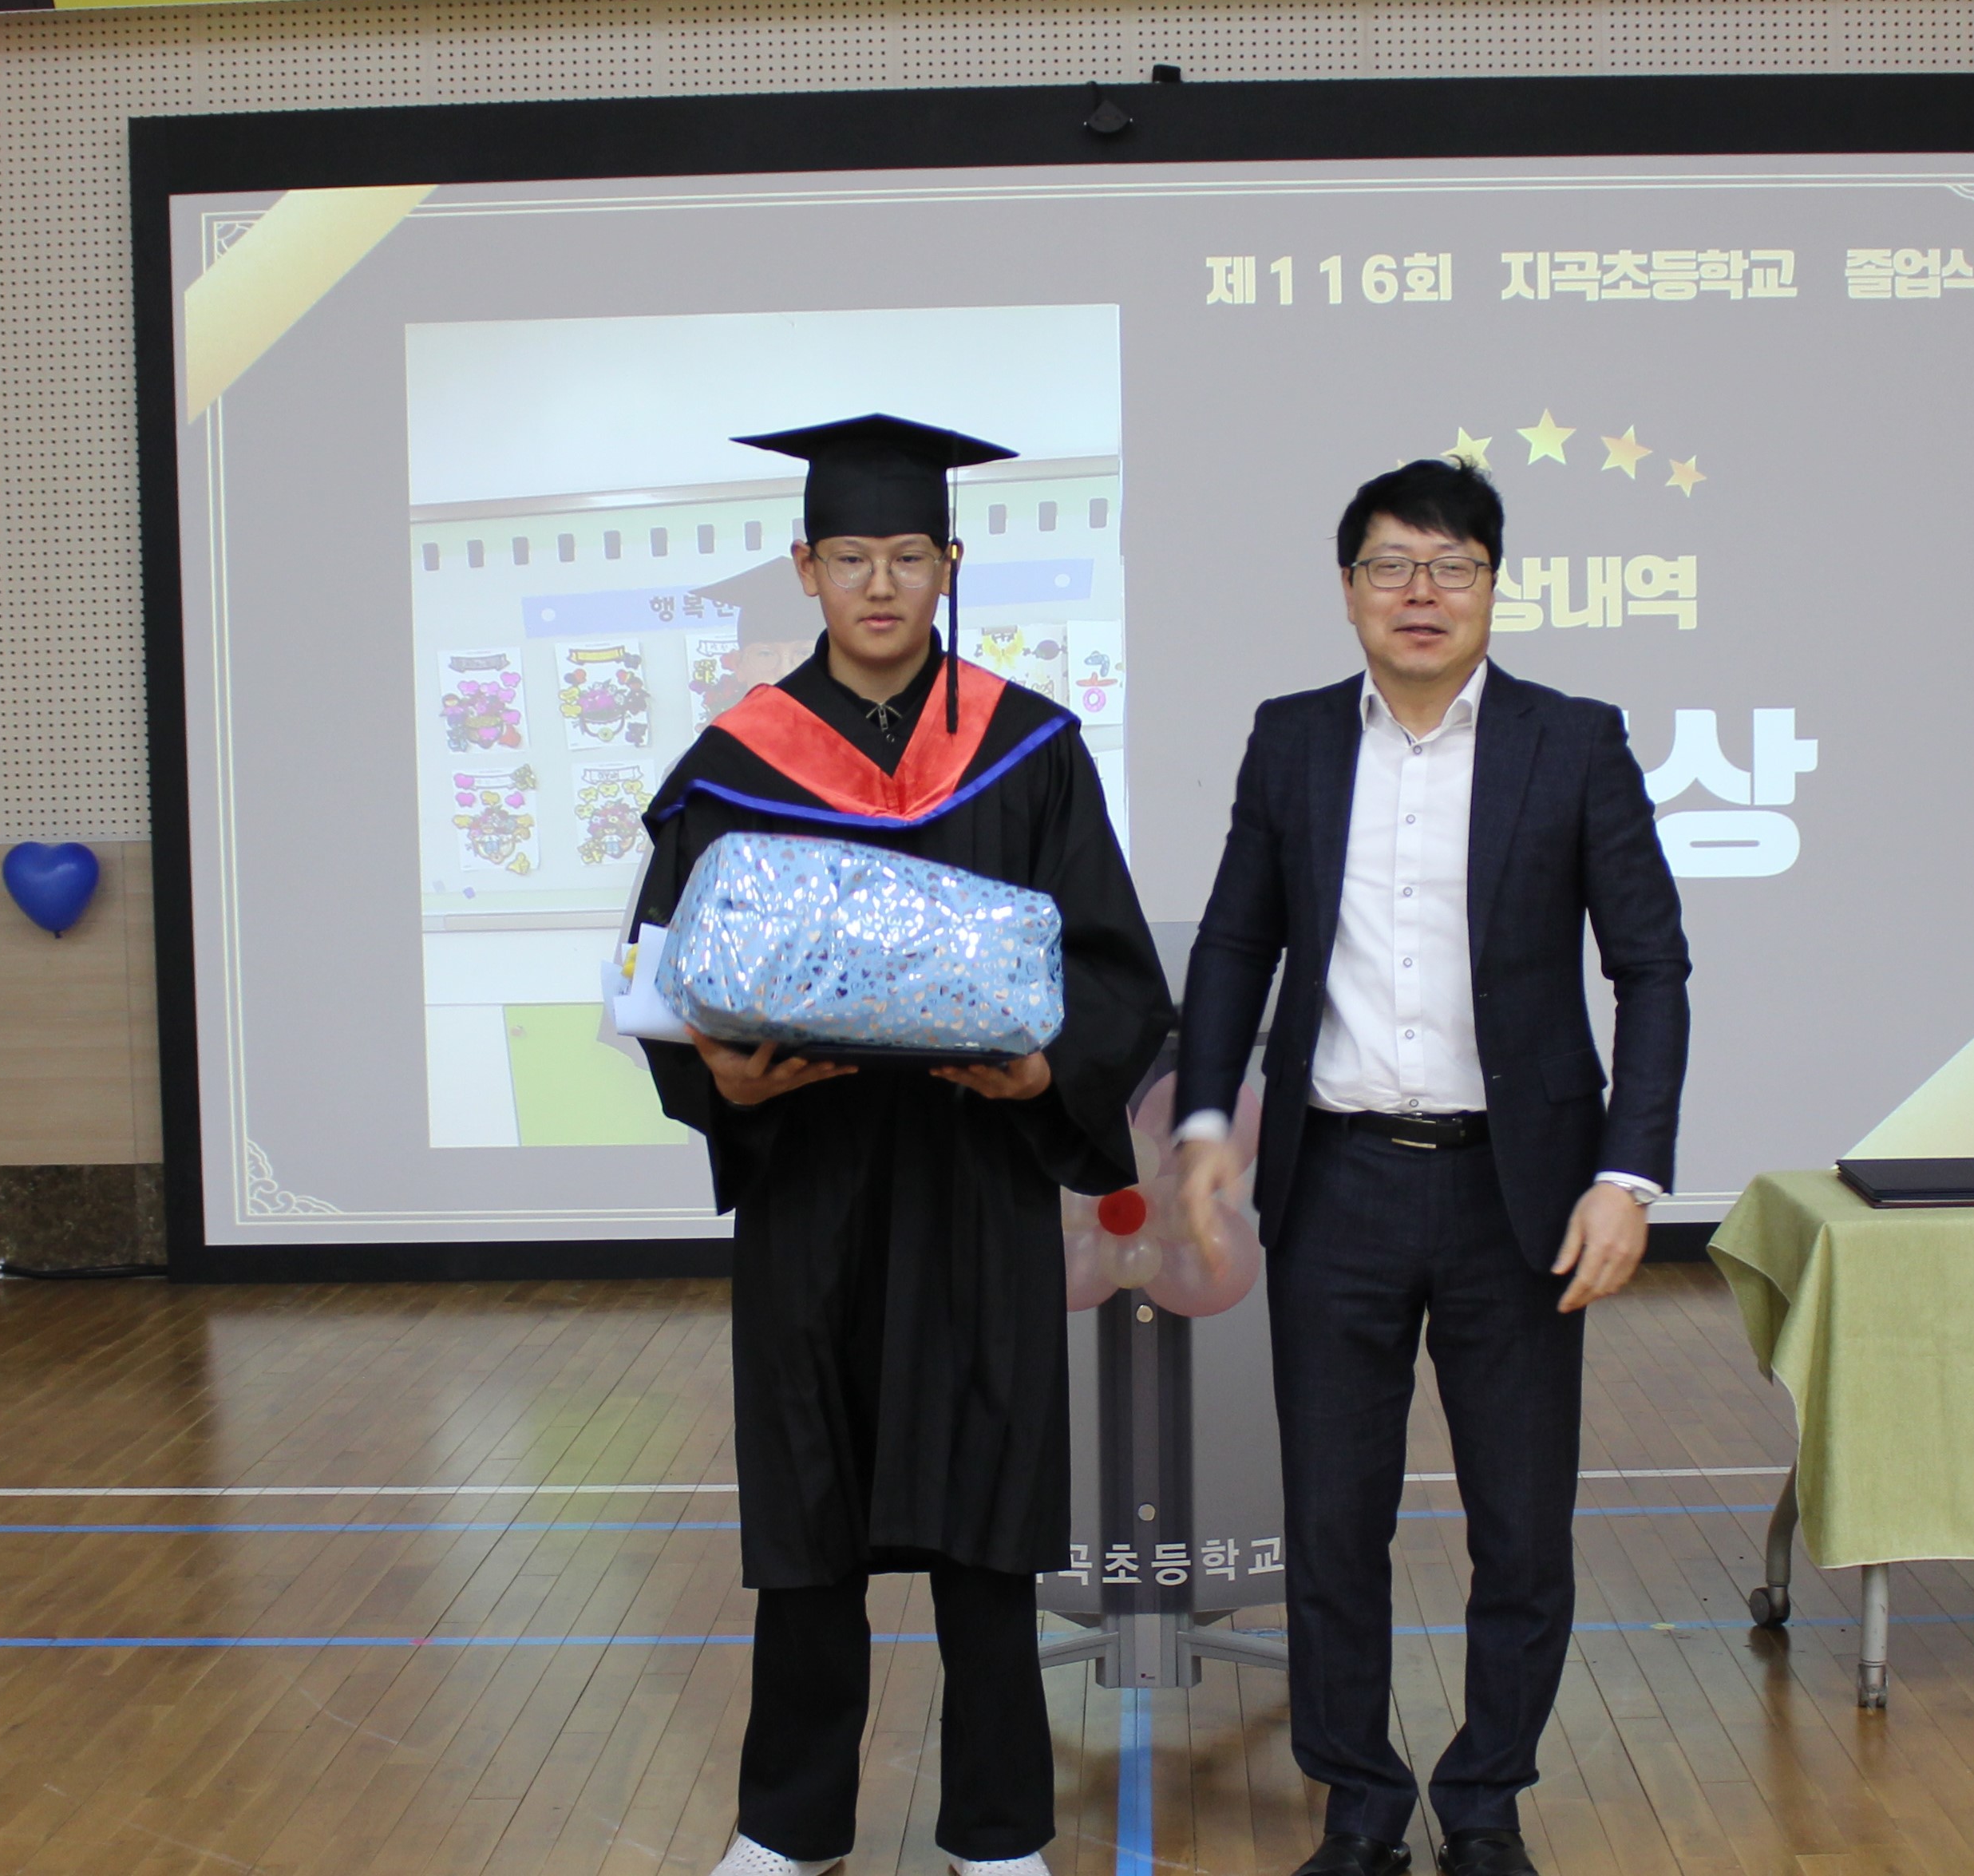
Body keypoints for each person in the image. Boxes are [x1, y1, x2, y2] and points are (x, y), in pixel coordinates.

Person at [631, 414, 1173, 1876]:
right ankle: (787, 1824)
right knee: (809, 1508)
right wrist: (723, 1082)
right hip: (811, 1180)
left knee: (987, 1503)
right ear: (805, 566)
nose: (881, 584)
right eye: (853, 556)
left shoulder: (1027, 750)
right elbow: (658, 970)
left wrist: (1048, 1070)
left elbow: (1116, 969)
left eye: (909, 555)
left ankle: (997, 1832)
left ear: (950, 563)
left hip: (972, 1175)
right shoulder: (732, 761)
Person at [1169, 457, 1690, 1876]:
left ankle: (1485, 1801)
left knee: (1519, 1528)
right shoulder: (1290, 739)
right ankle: (1357, 1801)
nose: (1421, 590)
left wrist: (1628, 1175)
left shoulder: (1570, 741)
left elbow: (1649, 966)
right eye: (1391, 563)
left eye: (1452, 564)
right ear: (1347, 588)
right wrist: (1205, 1122)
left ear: (1492, 587)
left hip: (1515, 1192)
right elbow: (1236, 942)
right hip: (1334, 1182)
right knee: (1332, 1522)